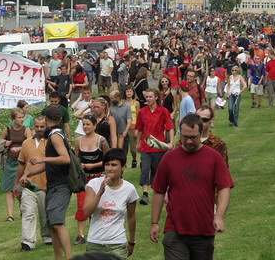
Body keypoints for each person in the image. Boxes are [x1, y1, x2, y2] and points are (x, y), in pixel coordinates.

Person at [150, 114, 233, 260]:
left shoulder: (213, 158)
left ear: (201, 134)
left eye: (193, 137)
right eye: (184, 136)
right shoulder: (169, 158)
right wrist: (155, 222)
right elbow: (159, 191)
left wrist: (219, 216)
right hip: (175, 230)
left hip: (203, 230)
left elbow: (224, 187)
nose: (188, 141)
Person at [21, 105, 73, 260]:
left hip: (61, 185)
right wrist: (29, 173)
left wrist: (43, 158)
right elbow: (51, 163)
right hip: (53, 185)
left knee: (57, 223)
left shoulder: (55, 136)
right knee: (52, 225)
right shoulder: (54, 134)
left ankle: (69, 257)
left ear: (48, 119)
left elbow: (65, 159)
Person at [83, 148, 138, 257]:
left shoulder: (129, 189)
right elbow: (86, 212)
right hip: (95, 242)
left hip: (117, 244)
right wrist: (99, 193)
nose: (109, 168)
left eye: (114, 165)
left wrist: (131, 241)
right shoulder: (93, 184)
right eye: (107, 164)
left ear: (122, 167)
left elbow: (131, 217)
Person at [16, 116, 52, 252]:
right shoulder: (26, 143)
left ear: (46, 126)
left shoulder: (51, 142)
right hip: (28, 185)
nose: (39, 129)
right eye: (36, 126)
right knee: (28, 212)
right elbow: (21, 164)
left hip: (45, 185)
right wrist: (17, 183)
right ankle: (28, 241)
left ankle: (48, 235)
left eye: (42, 127)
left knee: (44, 214)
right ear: (33, 127)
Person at [74, 114, 110, 245]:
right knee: (82, 205)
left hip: (99, 177)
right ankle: (81, 235)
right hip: (83, 178)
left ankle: (99, 233)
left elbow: (109, 160)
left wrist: (92, 165)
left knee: (99, 206)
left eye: (88, 124)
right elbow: (76, 159)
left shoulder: (101, 140)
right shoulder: (78, 141)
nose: (85, 127)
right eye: (83, 124)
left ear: (95, 125)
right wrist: (80, 167)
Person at [135, 88, 174, 206]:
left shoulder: (163, 111)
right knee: (145, 168)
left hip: (158, 145)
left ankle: (158, 192)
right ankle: (145, 194)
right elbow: (140, 129)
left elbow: (169, 127)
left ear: (156, 97)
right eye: (146, 97)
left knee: (156, 170)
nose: (148, 99)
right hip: (146, 145)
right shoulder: (142, 112)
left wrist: (171, 142)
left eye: (150, 96)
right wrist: (138, 143)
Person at [0, 107, 32, 222]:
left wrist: (20, 148)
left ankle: (23, 209)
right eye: (19, 117)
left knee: (19, 189)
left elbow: (31, 144)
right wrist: (5, 143)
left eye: (23, 117)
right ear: (13, 118)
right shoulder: (7, 129)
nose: (22, 119)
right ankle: (10, 215)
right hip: (10, 162)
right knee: (9, 189)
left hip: (21, 163)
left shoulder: (26, 130)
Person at [109, 90, 131, 158]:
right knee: (114, 151)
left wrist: (125, 131)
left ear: (118, 97)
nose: (111, 100)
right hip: (113, 133)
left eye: (112, 98)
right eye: (111, 98)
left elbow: (129, 121)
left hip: (123, 133)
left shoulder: (126, 106)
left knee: (122, 151)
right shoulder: (111, 107)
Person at [124, 86, 140, 168]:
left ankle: (134, 159)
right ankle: (124, 162)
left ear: (133, 93)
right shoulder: (122, 102)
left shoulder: (136, 103)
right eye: (127, 91)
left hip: (133, 127)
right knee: (124, 147)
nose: (129, 93)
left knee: (133, 148)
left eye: (130, 91)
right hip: (124, 127)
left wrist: (137, 128)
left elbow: (138, 116)